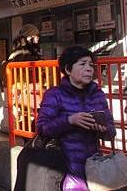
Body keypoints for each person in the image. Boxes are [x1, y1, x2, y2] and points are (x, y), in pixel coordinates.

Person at [36, 45, 116, 191]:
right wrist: (69, 120)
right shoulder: (55, 94)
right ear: (68, 69)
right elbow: (42, 128)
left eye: (91, 65)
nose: (89, 69)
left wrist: (103, 130)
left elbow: (111, 131)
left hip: (94, 167)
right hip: (63, 167)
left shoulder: (98, 94)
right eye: (82, 64)